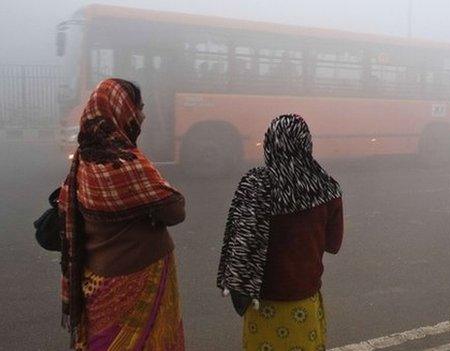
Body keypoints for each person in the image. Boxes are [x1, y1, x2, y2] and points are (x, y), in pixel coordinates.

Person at [58, 78, 186, 350]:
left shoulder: (83, 160)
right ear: (124, 111)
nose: (143, 115)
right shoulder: (126, 162)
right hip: (139, 274)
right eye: (139, 108)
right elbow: (175, 210)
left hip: (96, 277)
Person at [217, 114, 344, 351]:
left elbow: (238, 243)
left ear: (269, 143)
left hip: (262, 300)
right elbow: (333, 244)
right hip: (304, 298)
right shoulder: (327, 187)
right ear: (307, 143)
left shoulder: (255, 184)